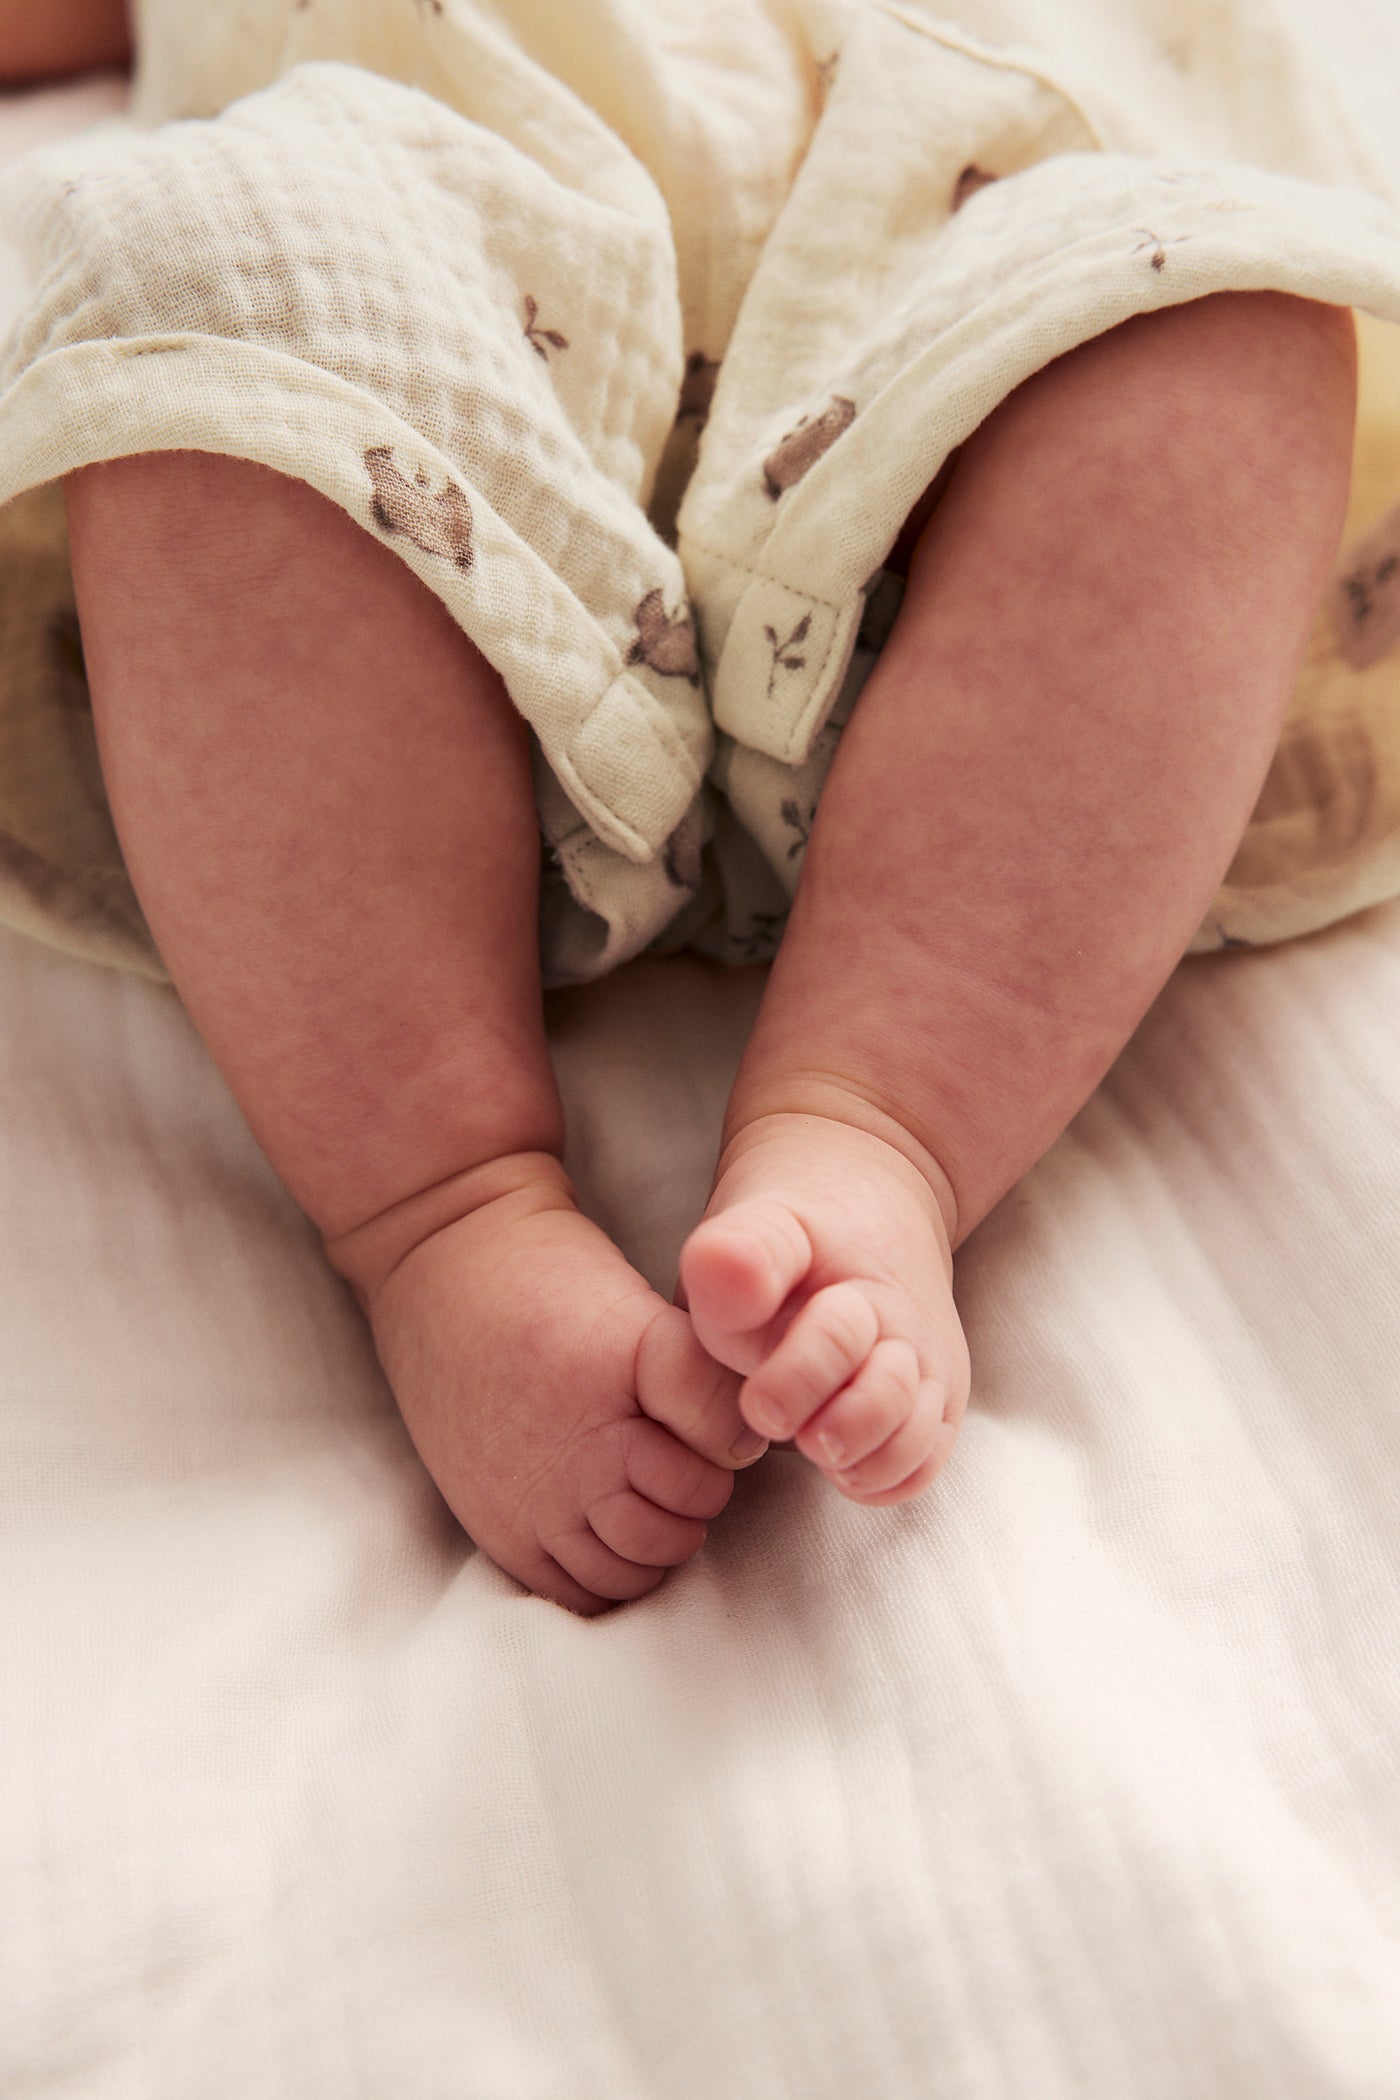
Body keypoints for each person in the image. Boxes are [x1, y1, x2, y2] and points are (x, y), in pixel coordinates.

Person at [0, 0, 1380, 1612]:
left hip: (945, 338)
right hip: (416, 430)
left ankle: (879, 1121)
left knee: (1207, 302)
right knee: (205, 291)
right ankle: (441, 1206)